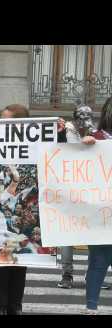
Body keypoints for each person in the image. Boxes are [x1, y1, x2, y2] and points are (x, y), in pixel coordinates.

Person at [57, 104, 111, 290]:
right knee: (67, 236)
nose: (83, 122)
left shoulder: (97, 134)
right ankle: (67, 274)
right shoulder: (64, 132)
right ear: (74, 117)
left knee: (94, 237)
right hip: (68, 193)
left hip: (91, 195)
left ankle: (92, 276)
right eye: (80, 117)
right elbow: (56, 153)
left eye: (86, 117)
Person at [0, 104, 29, 315]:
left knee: (18, 264)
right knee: (0, 263)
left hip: (14, 220)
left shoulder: (32, 145)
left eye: (6, 120)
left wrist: (59, 131)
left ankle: (14, 306)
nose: (0, 124)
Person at [81, 96, 112, 314]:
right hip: (101, 214)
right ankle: (91, 307)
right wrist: (84, 147)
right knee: (98, 261)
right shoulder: (96, 138)